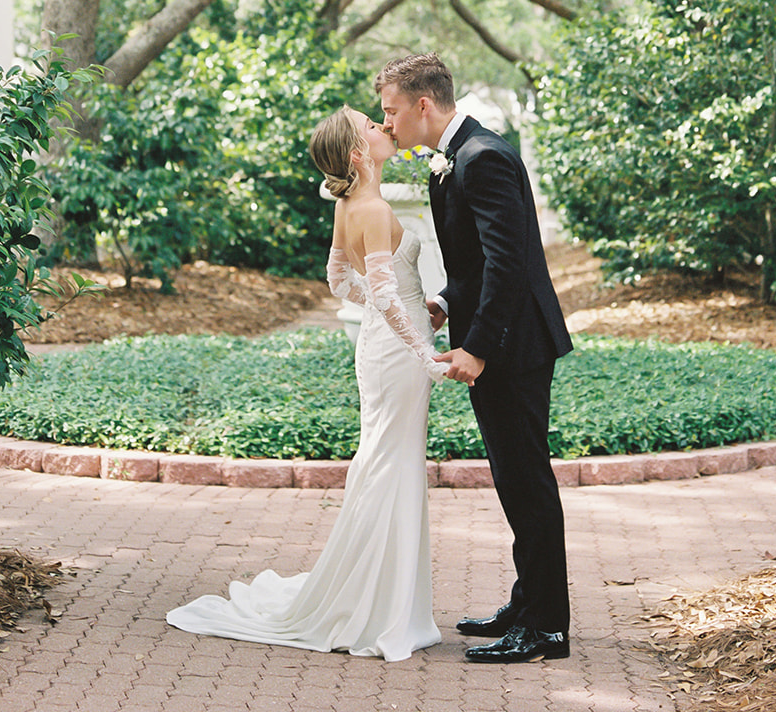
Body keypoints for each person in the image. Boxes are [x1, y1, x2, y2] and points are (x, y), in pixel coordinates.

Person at [165, 106, 445, 662]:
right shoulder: (371, 206)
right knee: (393, 463)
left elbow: (340, 280)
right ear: (356, 154)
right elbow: (385, 294)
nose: (384, 127)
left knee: (386, 461)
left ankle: (385, 601)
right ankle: (379, 610)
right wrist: (425, 349)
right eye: (372, 125)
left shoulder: (349, 204)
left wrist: (412, 311)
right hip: (399, 352)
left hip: (382, 345)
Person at [376, 53, 573, 664]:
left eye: (390, 111)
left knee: (526, 481)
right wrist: (442, 303)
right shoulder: (455, 159)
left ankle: (545, 629)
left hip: (514, 346)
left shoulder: (481, 158)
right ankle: (527, 602)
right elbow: (477, 261)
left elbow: (511, 263)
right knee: (513, 479)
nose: (387, 124)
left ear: (423, 106)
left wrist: (480, 349)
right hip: (502, 338)